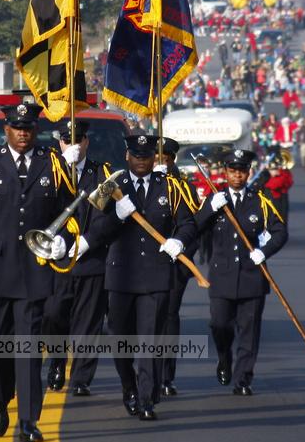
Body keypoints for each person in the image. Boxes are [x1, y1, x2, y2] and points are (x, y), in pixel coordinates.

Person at [0, 103, 75, 442]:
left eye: (29, 128)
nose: (23, 133)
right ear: (5, 129)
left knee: (29, 350)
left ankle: (28, 420)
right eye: (17, 127)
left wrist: (64, 240)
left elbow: (69, 210)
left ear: (36, 130)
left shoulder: (51, 162)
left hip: (35, 272)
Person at [97, 134, 196, 421]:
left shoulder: (170, 187)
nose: (141, 161)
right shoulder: (111, 186)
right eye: (136, 156)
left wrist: (179, 241)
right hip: (120, 275)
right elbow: (96, 227)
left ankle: (145, 398)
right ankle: (128, 385)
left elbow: (187, 223)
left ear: (155, 157)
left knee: (150, 340)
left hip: (155, 274)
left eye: (147, 156)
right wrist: (116, 214)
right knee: (121, 338)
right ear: (127, 156)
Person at [196, 149, 287, 396]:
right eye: (233, 171)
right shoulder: (214, 198)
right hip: (222, 276)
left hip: (251, 276)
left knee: (249, 330)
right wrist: (209, 210)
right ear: (225, 173)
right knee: (219, 324)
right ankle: (224, 357)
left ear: (248, 173)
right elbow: (194, 228)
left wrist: (264, 252)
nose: (237, 176)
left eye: (242, 171)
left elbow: (280, 232)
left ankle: (243, 378)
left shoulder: (261, 200)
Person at [41, 119, 115, 397]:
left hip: (89, 257)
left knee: (88, 321)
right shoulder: (48, 170)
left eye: (78, 139)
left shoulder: (102, 174)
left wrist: (88, 241)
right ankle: (57, 362)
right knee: (53, 314)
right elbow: (37, 205)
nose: (73, 145)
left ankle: (82, 377)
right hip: (57, 258)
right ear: (59, 143)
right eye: (66, 140)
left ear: (86, 142)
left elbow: (109, 215)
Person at [157, 137, 201, 398]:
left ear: (172, 161)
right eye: (156, 158)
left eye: (165, 158)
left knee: (168, 318)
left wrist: (182, 249)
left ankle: (165, 376)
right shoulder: (135, 183)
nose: (160, 162)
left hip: (174, 264)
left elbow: (193, 226)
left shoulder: (184, 188)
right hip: (142, 264)